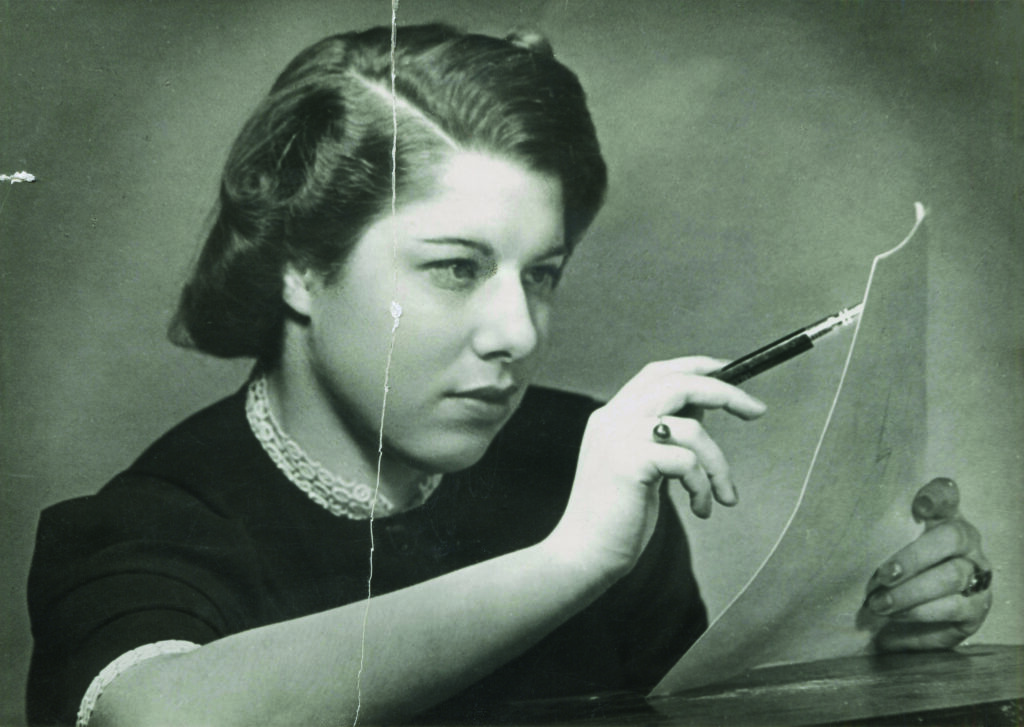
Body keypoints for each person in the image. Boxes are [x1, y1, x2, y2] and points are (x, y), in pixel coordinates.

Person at [26, 24, 992, 727]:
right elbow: (156, 718)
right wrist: (570, 559)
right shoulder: (148, 521)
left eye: (542, 274)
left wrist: (875, 647)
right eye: (455, 268)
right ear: (299, 269)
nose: (518, 331)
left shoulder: (588, 455)